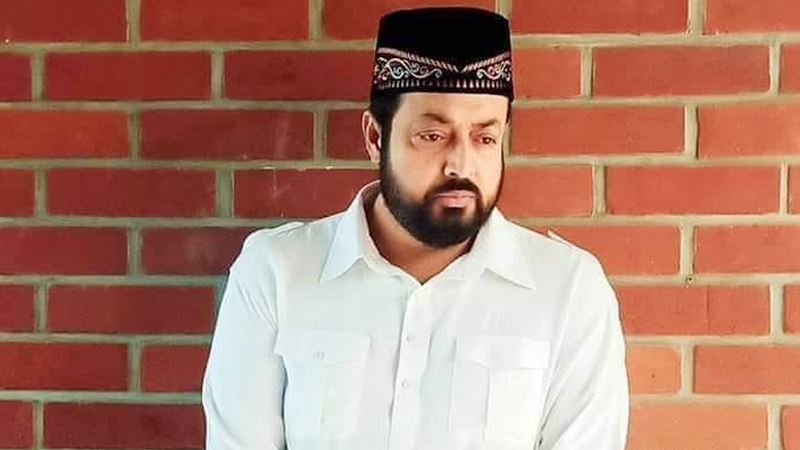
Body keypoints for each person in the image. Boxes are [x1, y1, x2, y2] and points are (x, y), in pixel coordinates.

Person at [202, 7, 629, 450]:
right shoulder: (275, 272)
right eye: (432, 136)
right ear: (375, 138)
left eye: (484, 138)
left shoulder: (569, 290)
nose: (461, 165)